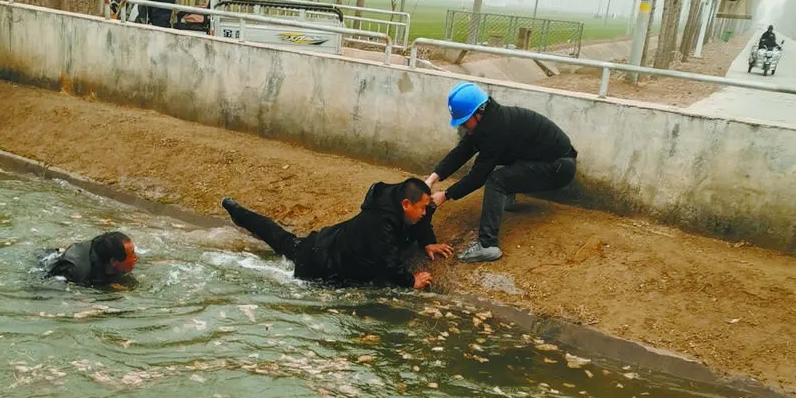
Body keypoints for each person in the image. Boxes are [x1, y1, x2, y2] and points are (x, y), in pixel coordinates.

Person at [425, 82, 577, 263]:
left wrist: (446, 195)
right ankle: (506, 200)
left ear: (478, 113)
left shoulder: (496, 129)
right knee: (505, 159)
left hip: (558, 168)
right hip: (545, 160)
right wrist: (431, 179)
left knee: (496, 180)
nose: (464, 127)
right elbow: (462, 152)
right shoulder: (488, 121)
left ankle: (488, 245)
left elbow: (478, 176)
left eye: (464, 121)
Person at [221, 178, 452, 290]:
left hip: (329, 241)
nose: (425, 212)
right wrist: (411, 281)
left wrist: (428, 242)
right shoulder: (379, 224)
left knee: (282, 240)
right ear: (405, 204)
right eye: (420, 207)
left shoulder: (396, 200)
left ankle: (237, 212)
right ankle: (236, 211)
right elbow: (387, 263)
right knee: (281, 241)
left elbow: (425, 212)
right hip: (320, 263)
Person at [44, 231, 138, 286]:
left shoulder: (111, 253)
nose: (135, 259)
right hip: (46, 264)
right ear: (114, 261)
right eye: (132, 255)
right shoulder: (77, 272)